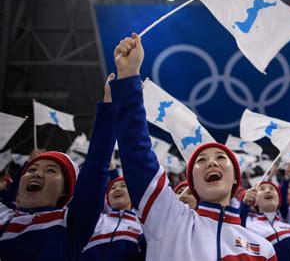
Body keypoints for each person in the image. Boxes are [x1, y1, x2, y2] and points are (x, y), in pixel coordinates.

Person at [110, 33, 276, 260]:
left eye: (220, 157)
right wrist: (129, 78)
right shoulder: (168, 220)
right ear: (193, 184)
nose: (211, 162)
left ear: (237, 178)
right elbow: (137, 155)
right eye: (200, 160)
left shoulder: (263, 248)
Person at [0, 75, 116, 261]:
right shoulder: (4, 219)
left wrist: (110, 104)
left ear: (65, 191)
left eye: (50, 170)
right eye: (31, 169)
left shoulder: (70, 223)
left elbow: (96, 166)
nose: (37, 173)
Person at [80, 175, 146, 260]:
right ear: (107, 198)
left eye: (123, 185)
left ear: (133, 195)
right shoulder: (96, 220)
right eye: (113, 188)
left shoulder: (142, 227)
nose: (117, 189)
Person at [241, 182, 290, 260]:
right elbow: (236, 232)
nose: (267, 191)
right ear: (254, 202)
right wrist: (244, 205)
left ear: (279, 202)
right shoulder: (248, 228)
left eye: (272, 189)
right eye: (262, 189)